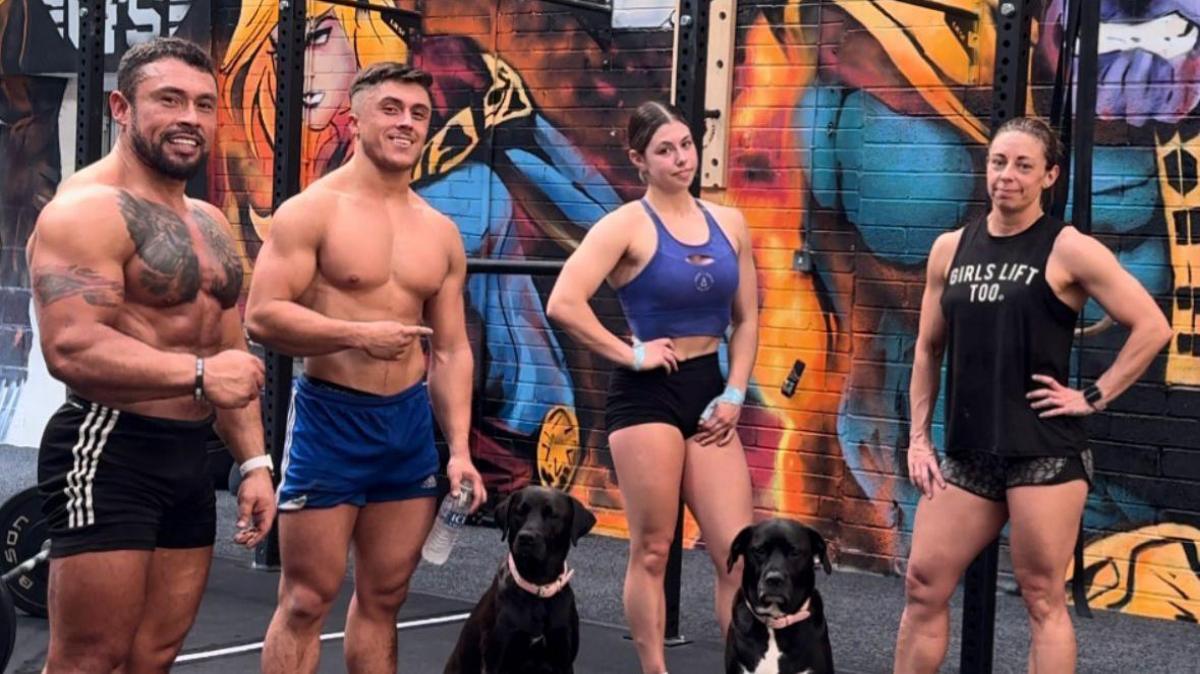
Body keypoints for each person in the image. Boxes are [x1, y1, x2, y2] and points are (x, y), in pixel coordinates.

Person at [24, 37, 276, 673]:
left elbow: (226, 347)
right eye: (169, 100)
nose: (190, 117)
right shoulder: (83, 211)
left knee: (155, 654)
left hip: (188, 458)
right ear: (121, 107)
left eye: (203, 104)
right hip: (108, 448)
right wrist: (197, 375)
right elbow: (71, 347)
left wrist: (253, 461)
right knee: (90, 657)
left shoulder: (208, 221)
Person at [894, 116, 1173, 674]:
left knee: (1042, 599)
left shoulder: (1069, 249)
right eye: (999, 162)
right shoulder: (950, 249)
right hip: (970, 455)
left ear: (1050, 175)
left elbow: (1152, 326)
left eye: (1024, 166)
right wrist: (919, 440)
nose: (1008, 176)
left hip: (1044, 455)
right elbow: (927, 351)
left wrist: (1092, 396)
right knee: (924, 583)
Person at [245, 62, 487, 674]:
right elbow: (263, 316)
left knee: (385, 599)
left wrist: (458, 448)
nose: (406, 123)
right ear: (355, 120)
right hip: (332, 418)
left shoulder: (440, 232)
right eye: (391, 109)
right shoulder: (311, 212)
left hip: (406, 427)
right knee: (305, 599)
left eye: (418, 114)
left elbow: (453, 350)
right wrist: (355, 333)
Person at [546, 101, 759, 674]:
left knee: (736, 557)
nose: (680, 158)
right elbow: (563, 302)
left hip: (710, 393)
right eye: (664, 150)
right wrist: (630, 351)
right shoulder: (625, 225)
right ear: (639, 160)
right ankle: (654, 668)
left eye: (686, 145)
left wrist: (736, 392)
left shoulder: (730, 223)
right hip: (646, 398)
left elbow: (748, 320)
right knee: (654, 549)